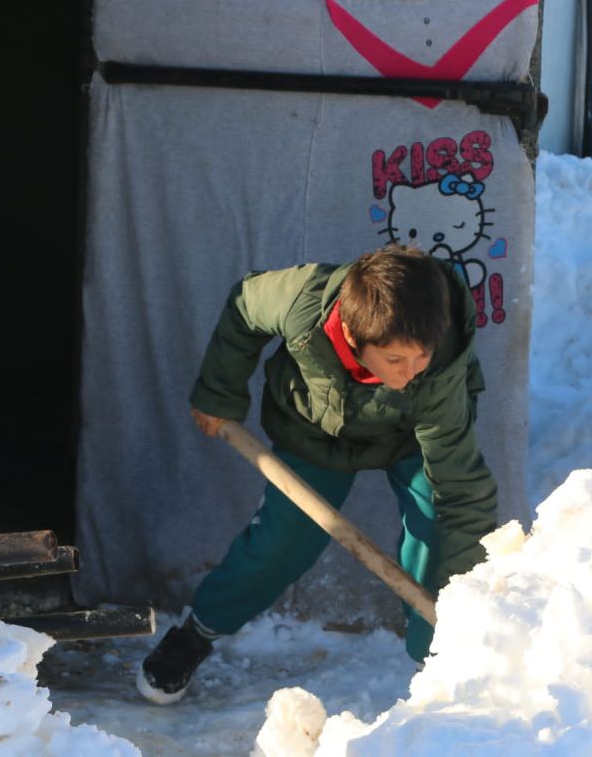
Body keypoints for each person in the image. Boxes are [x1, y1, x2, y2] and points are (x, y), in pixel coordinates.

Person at [137, 244, 497, 704]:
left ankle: (442, 667)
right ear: (350, 333)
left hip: (411, 436)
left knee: (437, 533)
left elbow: (461, 492)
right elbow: (245, 304)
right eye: (395, 360)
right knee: (281, 542)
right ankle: (197, 634)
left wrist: (464, 605)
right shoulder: (302, 301)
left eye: (420, 356)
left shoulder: (437, 374)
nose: (410, 372)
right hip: (313, 431)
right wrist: (219, 393)